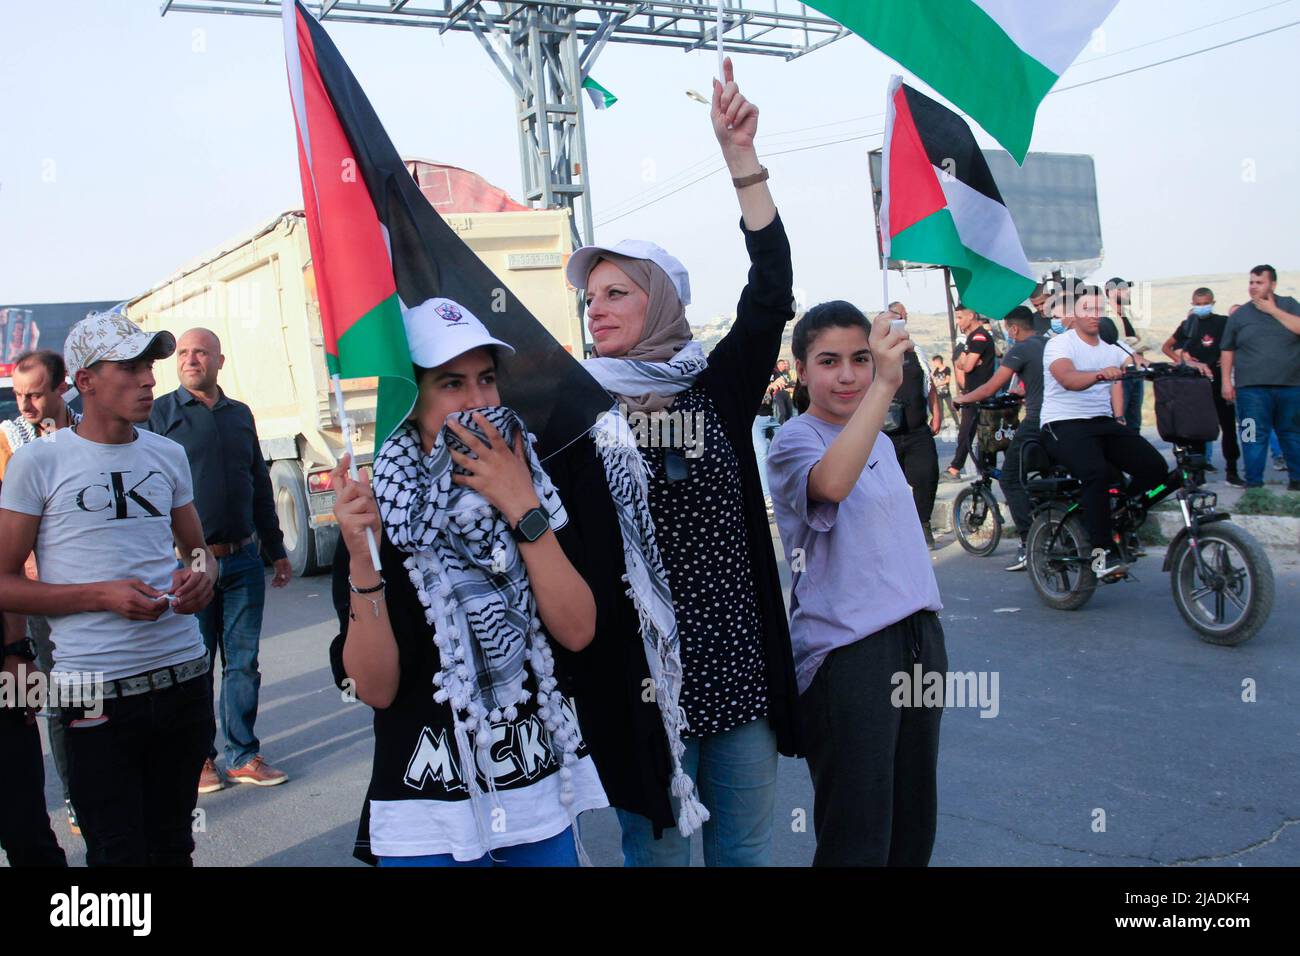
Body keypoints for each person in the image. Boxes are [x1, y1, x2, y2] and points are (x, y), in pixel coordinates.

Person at [565, 56, 801, 866]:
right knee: (657, 859)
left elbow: (771, 293)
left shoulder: (718, 390)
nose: (596, 309)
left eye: (616, 293)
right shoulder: (576, 410)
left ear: (659, 300)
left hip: (738, 669)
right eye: (590, 298)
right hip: (640, 690)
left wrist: (743, 162)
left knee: (747, 854)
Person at [327, 298, 607, 866]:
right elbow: (373, 689)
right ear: (412, 401)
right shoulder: (379, 511)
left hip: (538, 802)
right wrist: (362, 557)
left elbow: (577, 631)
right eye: (453, 384)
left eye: (487, 380)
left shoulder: (536, 490)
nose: (479, 402)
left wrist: (521, 506)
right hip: (426, 818)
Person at [0, 311, 217, 866]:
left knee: (174, 846)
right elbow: (3, 584)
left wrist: (199, 579)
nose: (148, 378)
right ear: (86, 380)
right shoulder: (37, 461)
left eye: (149, 365)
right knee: (116, 855)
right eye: (130, 367)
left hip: (183, 678)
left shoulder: (166, 453)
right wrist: (99, 596)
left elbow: (197, 552)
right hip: (91, 691)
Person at [767, 303, 945, 866]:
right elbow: (834, 484)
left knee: (912, 825)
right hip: (850, 655)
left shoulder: (884, 444)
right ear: (800, 369)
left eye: (860, 359)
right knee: (857, 838)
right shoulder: (795, 441)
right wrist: (885, 386)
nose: (847, 374)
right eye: (829, 361)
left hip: (919, 639)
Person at [146, 328, 292, 793]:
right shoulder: (159, 414)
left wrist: (276, 549)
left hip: (245, 559)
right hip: (190, 565)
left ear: (219, 361)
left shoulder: (239, 415)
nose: (191, 359)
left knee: (243, 662)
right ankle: (200, 761)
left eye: (201, 352)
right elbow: (146, 492)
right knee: (196, 665)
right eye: (185, 353)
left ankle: (244, 754)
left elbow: (259, 485)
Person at [0, 349, 80, 834]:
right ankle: (73, 798)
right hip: (34, 594)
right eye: (17, 395)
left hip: (90, 587)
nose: (25, 405)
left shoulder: (88, 432)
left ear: (62, 386)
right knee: (52, 699)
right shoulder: (9, 440)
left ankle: (100, 789)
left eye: (34, 394)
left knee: (92, 691)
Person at [1040, 287, 1169, 577]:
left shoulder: (1113, 344)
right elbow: (1068, 378)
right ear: (1073, 314)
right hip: (1063, 424)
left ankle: (1122, 513)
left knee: (1156, 469)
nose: (1095, 315)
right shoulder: (1061, 345)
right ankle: (1101, 555)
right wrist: (1099, 374)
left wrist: (1181, 368)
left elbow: (1137, 363)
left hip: (1101, 422)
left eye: (1099, 309)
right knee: (1096, 473)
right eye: (1087, 309)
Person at [956, 307, 1046, 571]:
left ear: (1014, 329)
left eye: (1008, 329)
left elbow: (991, 386)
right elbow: (1029, 383)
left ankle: (1029, 543)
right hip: (1059, 422)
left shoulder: (1020, 349)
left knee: (1009, 478)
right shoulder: (1047, 343)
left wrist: (964, 398)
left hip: (1037, 420)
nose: (1008, 334)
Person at [1220, 265, 1300, 491]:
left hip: (1291, 386)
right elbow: (1227, 349)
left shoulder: (1290, 305)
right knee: (1251, 435)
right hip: (1250, 390)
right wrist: (1227, 381)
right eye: (1251, 282)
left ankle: (1297, 483)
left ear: (1272, 284)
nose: (1253, 287)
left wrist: (1272, 310)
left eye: (1259, 282)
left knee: (1293, 434)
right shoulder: (1240, 315)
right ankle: (1254, 485)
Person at [1161, 287, 1243, 486]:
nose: (1201, 307)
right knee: (1198, 430)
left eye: (1205, 303)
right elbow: (1167, 347)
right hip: (1195, 384)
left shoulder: (1223, 322)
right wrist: (1183, 360)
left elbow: (1233, 347)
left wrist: (1227, 373)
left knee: (1228, 428)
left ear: (1212, 302)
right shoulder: (1187, 325)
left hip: (1218, 381)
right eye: (1197, 304)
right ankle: (1199, 475)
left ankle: (1232, 471)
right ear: (1192, 305)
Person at [882, 303, 942, 547]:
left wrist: (936, 413)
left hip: (917, 429)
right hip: (885, 434)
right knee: (887, 487)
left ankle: (923, 525)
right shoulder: (874, 353)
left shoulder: (916, 351)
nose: (901, 321)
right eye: (897, 317)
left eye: (904, 317)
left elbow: (929, 384)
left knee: (927, 476)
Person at [943, 306, 995, 480]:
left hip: (980, 393)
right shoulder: (970, 338)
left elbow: (967, 366)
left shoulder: (979, 337)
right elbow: (960, 363)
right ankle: (961, 467)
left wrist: (966, 361)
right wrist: (965, 361)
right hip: (973, 392)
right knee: (969, 432)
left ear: (971, 316)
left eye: (959, 318)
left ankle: (957, 468)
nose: (958, 322)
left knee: (972, 433)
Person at [1102, 278, 1158, 433]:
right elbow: (1116, 342)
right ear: (1113, 292)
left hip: (1136, 373)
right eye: (1124, 289)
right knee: (1120, 417)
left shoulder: (1129, 314)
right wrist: (1134, 343)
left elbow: (1145, 340)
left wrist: (1131, 343)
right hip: (1120, 374)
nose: (1127, 292)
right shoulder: (1106, 317)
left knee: (1134, 420)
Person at [929, 354, 957, 432]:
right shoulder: (936, 371)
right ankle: (942, 424)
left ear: (938, 361)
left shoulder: (947, 369)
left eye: (934, 362)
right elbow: (934, 379)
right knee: (940, 409)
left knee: (951, 408)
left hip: (946, 392)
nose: (934, 364)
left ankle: (957, 423)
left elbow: (947, 380)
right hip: (938, 393)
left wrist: (938, 384)